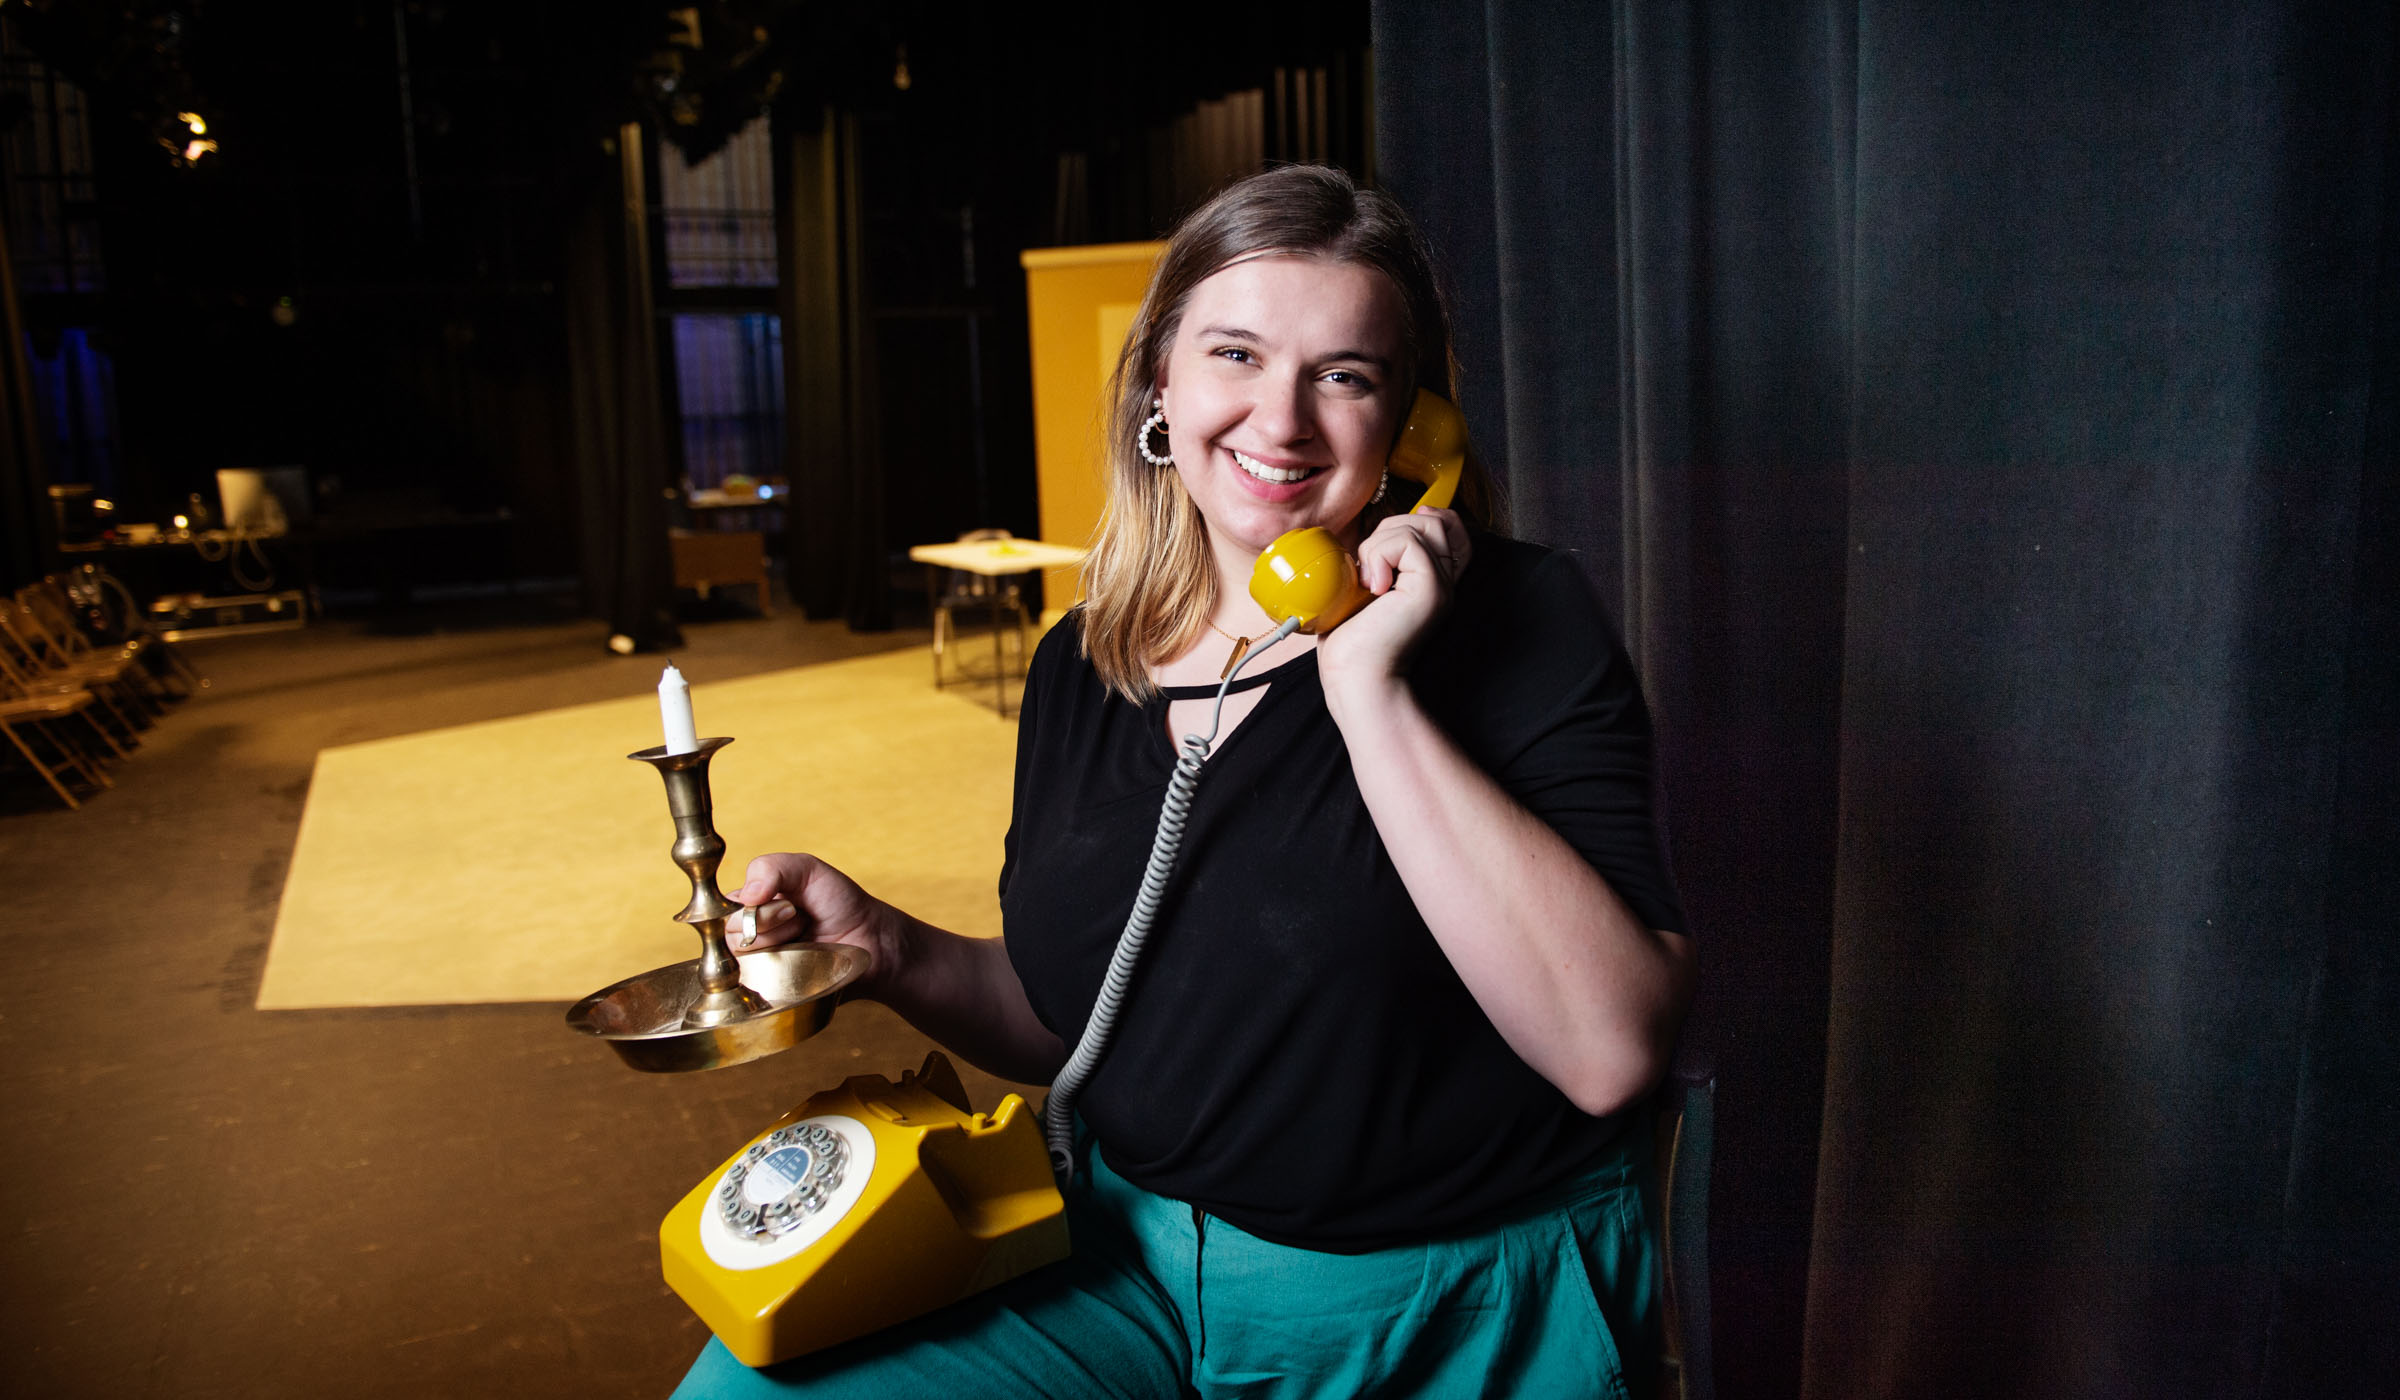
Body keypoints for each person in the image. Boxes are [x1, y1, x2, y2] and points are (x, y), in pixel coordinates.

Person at [673, 165, 1693, 1399]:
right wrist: (890, 949)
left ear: (1414, 426)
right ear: (1162, 380)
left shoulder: (1520, 621)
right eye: (1236, 355)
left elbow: (1609, 1046)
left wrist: (1369, 690)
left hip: (1440, 1294)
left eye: (1345, 375)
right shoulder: (1081, 661)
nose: (1282, 419)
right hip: (1122, 1258)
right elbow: (1085, 1022)